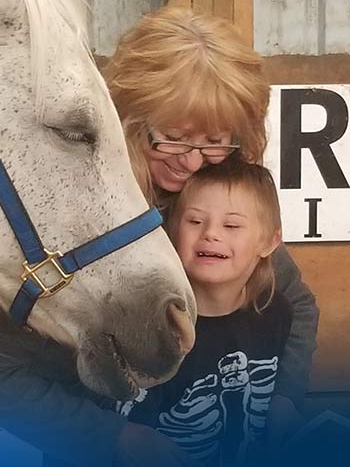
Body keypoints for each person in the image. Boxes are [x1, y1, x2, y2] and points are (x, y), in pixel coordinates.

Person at [0, 6, 319, 467]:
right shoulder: (62, 207)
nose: (191, 162)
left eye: (214, 142)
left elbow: (295, 300)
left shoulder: (203, 203)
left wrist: (286, 399)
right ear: (123, 116)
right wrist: (116, 439)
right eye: (171, 137)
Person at [118, 159, 292, 467]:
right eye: (195, 221)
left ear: (269, 242)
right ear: (173, 233)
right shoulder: (156, 331)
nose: (211, 234)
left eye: (232, 225)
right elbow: (132, 441)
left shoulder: (275, 312)